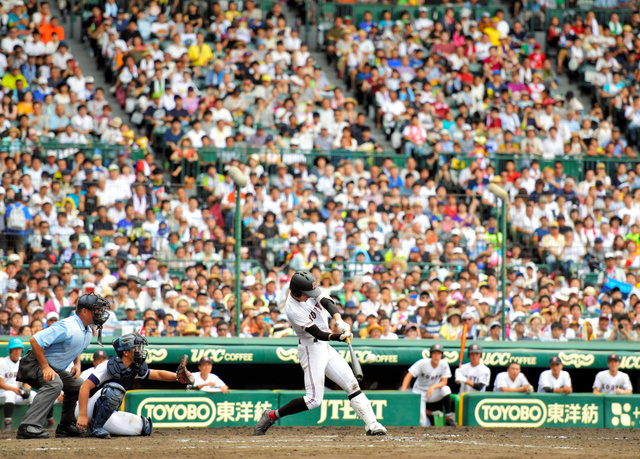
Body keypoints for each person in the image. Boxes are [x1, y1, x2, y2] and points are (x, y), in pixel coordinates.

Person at [253, 270, 386, 436]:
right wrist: (338, 336)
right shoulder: (292, 309)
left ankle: (372, 425)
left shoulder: (307, 289)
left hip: (325, 347)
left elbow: (327, 302)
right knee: (313, 400)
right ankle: (272, 415)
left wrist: (339, 320)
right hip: (311, 349)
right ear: (296, 292)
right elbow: (316, 333)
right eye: (307, 294)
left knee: (352, 384)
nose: (311, 296)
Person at [16, 293, 110, 439]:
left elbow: (77, 346)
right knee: (55, 384)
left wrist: (77, 364)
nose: (100, 313)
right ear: (84, 311)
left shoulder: (88, 331)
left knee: (78, 385)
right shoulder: (67, 326)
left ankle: (66, 426)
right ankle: (28, 426)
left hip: (53, 368)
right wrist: (46, 367)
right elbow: (35, 340)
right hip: (33, 364)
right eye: (96, 310)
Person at [75, 332, 194, 438]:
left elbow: (158, 374)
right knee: (114, 390)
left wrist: (178, 377)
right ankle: (96, 428)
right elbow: (85, 387)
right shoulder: (108, 365)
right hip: (86, 408)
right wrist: (83, 415)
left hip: (106, 413)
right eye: (136, 347)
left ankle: (98, 427)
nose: (139, 350)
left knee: (145, 427)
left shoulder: (133, 368)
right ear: (126, 352)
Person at [400, 343, 456, 427]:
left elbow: (444, 381)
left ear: (441, 355)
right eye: (434, 353)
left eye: (439, 354)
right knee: (422, 422)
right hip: (419, 392)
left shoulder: (443, 364)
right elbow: (409, 375)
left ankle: (448, 417)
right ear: (431, 355)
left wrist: (433, 387)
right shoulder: (423, 363)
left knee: (446, 389)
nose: (436, 356)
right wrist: (403, 391)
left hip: (433, 392)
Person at [0, 338, 36, 430]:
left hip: (18, 392)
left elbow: (28, 381)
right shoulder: (2, 362)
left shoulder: (23, 361)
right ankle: (8, 423)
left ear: (22, 350)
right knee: (10, 394)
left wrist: (27, 390)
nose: (17, 351)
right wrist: (14, 390)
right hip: (4, 393)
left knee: (33, 395)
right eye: (14, 349)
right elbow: (1, 383)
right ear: (10, 350)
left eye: (19, 349)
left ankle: (33, 423)